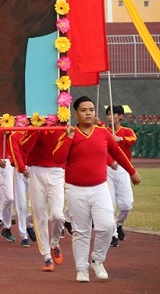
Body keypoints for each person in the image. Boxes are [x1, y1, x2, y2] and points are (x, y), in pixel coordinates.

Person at [53, 96, 140, 283]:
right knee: (81, 231)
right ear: (76, 113)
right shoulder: (70, 134)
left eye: (91, 110)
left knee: (107, 226)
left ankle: (97, 260)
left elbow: (117, 153)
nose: (88, 113)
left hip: (100, 188)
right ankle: (81, 269)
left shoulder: (103, 133)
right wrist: (68, 139)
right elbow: (57, 159)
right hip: (75, 190)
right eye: (84, 110)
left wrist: (132, 172)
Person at [20, 119, 66, 272]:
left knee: (58, 215)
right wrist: (37, 130)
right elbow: (24, 147)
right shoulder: (34, 125)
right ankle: (46, 256)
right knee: (39, 214)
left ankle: (54, 243)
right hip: (36, 171)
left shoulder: (64, 126)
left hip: (57, 171)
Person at [104, 105, 137, 247]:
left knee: (127, 205)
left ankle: (118, 224)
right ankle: (113, 235)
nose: (111, 117)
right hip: (108, 169)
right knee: (110, 204)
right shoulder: (104, 131)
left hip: (123, 169)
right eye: (108, 114)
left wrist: (119, 138)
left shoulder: (126, 131)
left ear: (121, 116)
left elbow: (133, 139)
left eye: (114, 114)